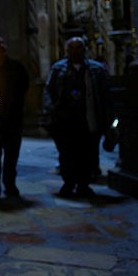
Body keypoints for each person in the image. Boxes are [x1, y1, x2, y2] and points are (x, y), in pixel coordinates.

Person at [44, 36, 114, 198]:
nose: (75, 51)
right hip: (65, 119)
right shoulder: (58, 68)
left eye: (79, 48)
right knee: (66, 154)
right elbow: (49, 90)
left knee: (88, 153)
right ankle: (69, 183)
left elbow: (105, 94)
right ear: (67, 50)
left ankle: (84, 183)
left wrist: (108, 118)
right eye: (72, 48)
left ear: (84, 50)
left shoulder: (96, 69)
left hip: (88, 118)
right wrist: (50, 108)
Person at [0, 36, 30, 204]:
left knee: (11, 154)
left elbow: (24, 87)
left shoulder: (16, 67)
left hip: (13, 118)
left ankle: (10, 185)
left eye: (1, 45)